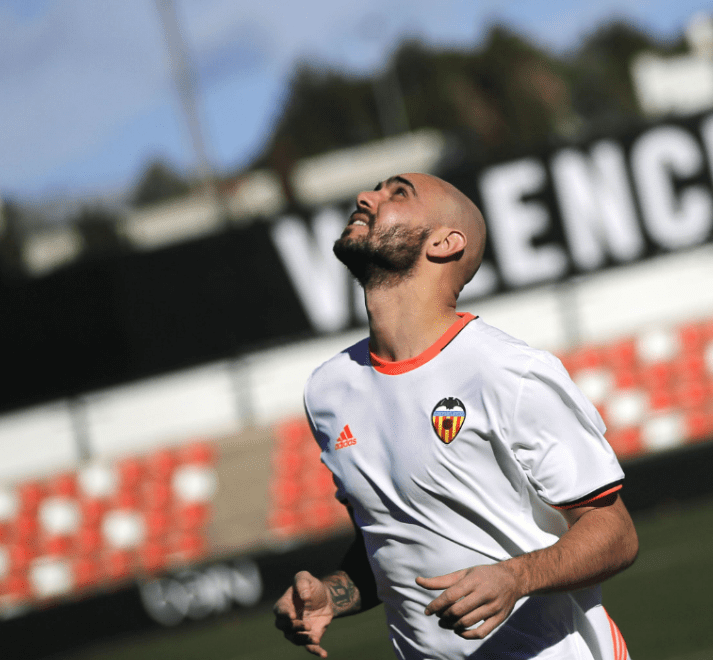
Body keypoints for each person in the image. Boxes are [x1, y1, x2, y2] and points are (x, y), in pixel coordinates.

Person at [274, 173, 639, 660]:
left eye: (398, 193)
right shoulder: (328, 390)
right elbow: (391, 540)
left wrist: (516, 577)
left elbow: (616, 533)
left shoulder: (510, 372)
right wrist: (333, 594)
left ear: (445, 243)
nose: (365, 196)